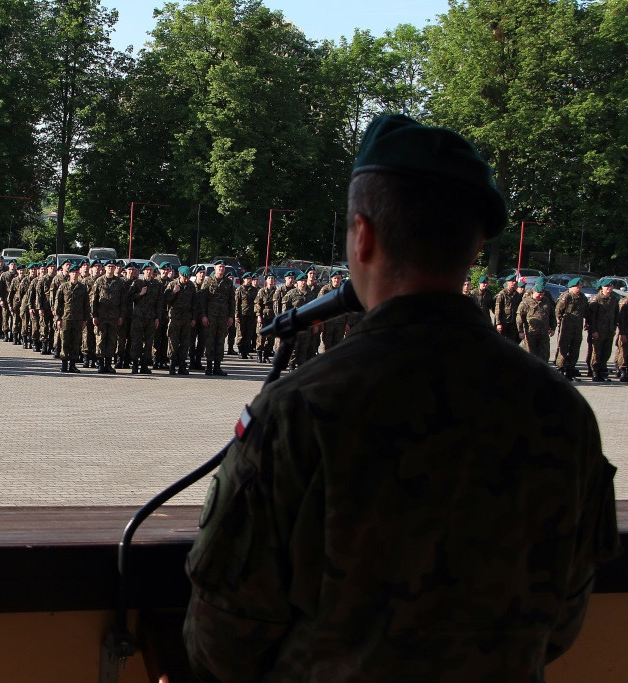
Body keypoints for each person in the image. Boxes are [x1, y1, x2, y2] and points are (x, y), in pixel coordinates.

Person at [183, 114, 619, 681]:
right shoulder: (562, 410)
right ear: (476, 243)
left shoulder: (302, 408)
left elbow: (224, 637)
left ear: (362, 235)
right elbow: (561, 619)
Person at [197, 260, 234, 376]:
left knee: (220, 341)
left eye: (223, 267)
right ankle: (209, 367)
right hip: (211, 316)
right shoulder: (208, 281)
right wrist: (203, 315)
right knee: (209, 341)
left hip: (223, 317)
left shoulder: (228, 282)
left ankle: (217, 367)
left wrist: (231, 316)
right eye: (219, 267)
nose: (221, 269)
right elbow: (202, 300)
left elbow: (231, 301)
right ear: (214, 268)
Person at [54, 265, 89, 372]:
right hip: (66, 319)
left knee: (76, 342)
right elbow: (58, 304)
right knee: (64, 341)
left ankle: (73, 364)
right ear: (69, 274)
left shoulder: (83, 288)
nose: (74, 275)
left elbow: (86, 305)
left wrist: (85, 320)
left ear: (79, 274)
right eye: (72, 273)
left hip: (78, 319)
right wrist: (58, 319)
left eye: (76, 273)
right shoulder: (63, 287)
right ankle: (64, 364)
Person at [554, 277, 588, 380]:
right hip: (566, 326)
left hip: (577, 327)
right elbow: (558, 311)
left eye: (580, 286)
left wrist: (587, 321)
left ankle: (570, 369)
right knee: (563, 347)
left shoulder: (582, 297)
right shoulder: (566, 296)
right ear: (572, 287)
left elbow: (586, 311)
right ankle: (561, 368)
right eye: (577, 286)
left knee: (575, 348)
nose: (579, 288)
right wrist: (559, 321)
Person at [586, 280, 618, 382]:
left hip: (609, 330)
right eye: (607, 286)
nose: (609, 288)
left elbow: (616, 315)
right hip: (598, 330)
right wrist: (594, 331)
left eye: (611, 286)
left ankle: (602, 372)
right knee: (596, 352)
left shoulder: (614, 299)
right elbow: (591, 317)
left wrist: (613, 328)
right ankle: (595, 372)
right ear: (601, 288)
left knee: (606, 352)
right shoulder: (596, 299)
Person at [517, 278, 557, 361]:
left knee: (544, 354)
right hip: (530, 333)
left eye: (542, 294)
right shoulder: (526, 302)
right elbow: (519, 317)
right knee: (529, 354)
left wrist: (553, 328)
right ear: (534, 292)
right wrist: (520, 331)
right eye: (539, 294)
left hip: (543, 333)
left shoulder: (546, 301)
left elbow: (552, 315)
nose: (541, 296)